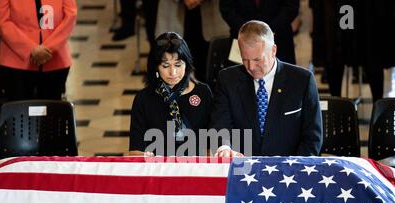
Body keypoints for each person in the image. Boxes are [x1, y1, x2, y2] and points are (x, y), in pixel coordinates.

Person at [211, 20, 322, 157]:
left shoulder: (302, 80)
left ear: (273, 50)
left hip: (289, 170)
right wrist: (224, 148)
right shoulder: (227, 79)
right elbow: (221, 124)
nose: (251, 67)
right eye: (245, 59)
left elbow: (312, 137)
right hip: (242, 167)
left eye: (257, 59)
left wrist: (295, 168)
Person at [129, 32, 214, 156]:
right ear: (156, 67)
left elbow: (211, 142)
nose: (173, 72)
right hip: (158, 170)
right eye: (165, 65)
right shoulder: (143, 99)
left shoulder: (203, 92)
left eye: (178, 65)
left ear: (187, 64)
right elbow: (135, 150)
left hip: (196, 169)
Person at [0, 0, 77, 101]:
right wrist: (31, 49)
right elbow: (2, 22)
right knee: (19, 110)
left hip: (55, 59)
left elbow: (70, 16)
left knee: (51, 111)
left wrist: (48, 48)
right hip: (15, 61)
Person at [219, 0, 299, 65]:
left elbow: (291, 7)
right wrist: (248, 30)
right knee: (240, 80)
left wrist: (267, 30)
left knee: (283, 80)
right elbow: (226, 9)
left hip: (279, 37)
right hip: (242, 37)